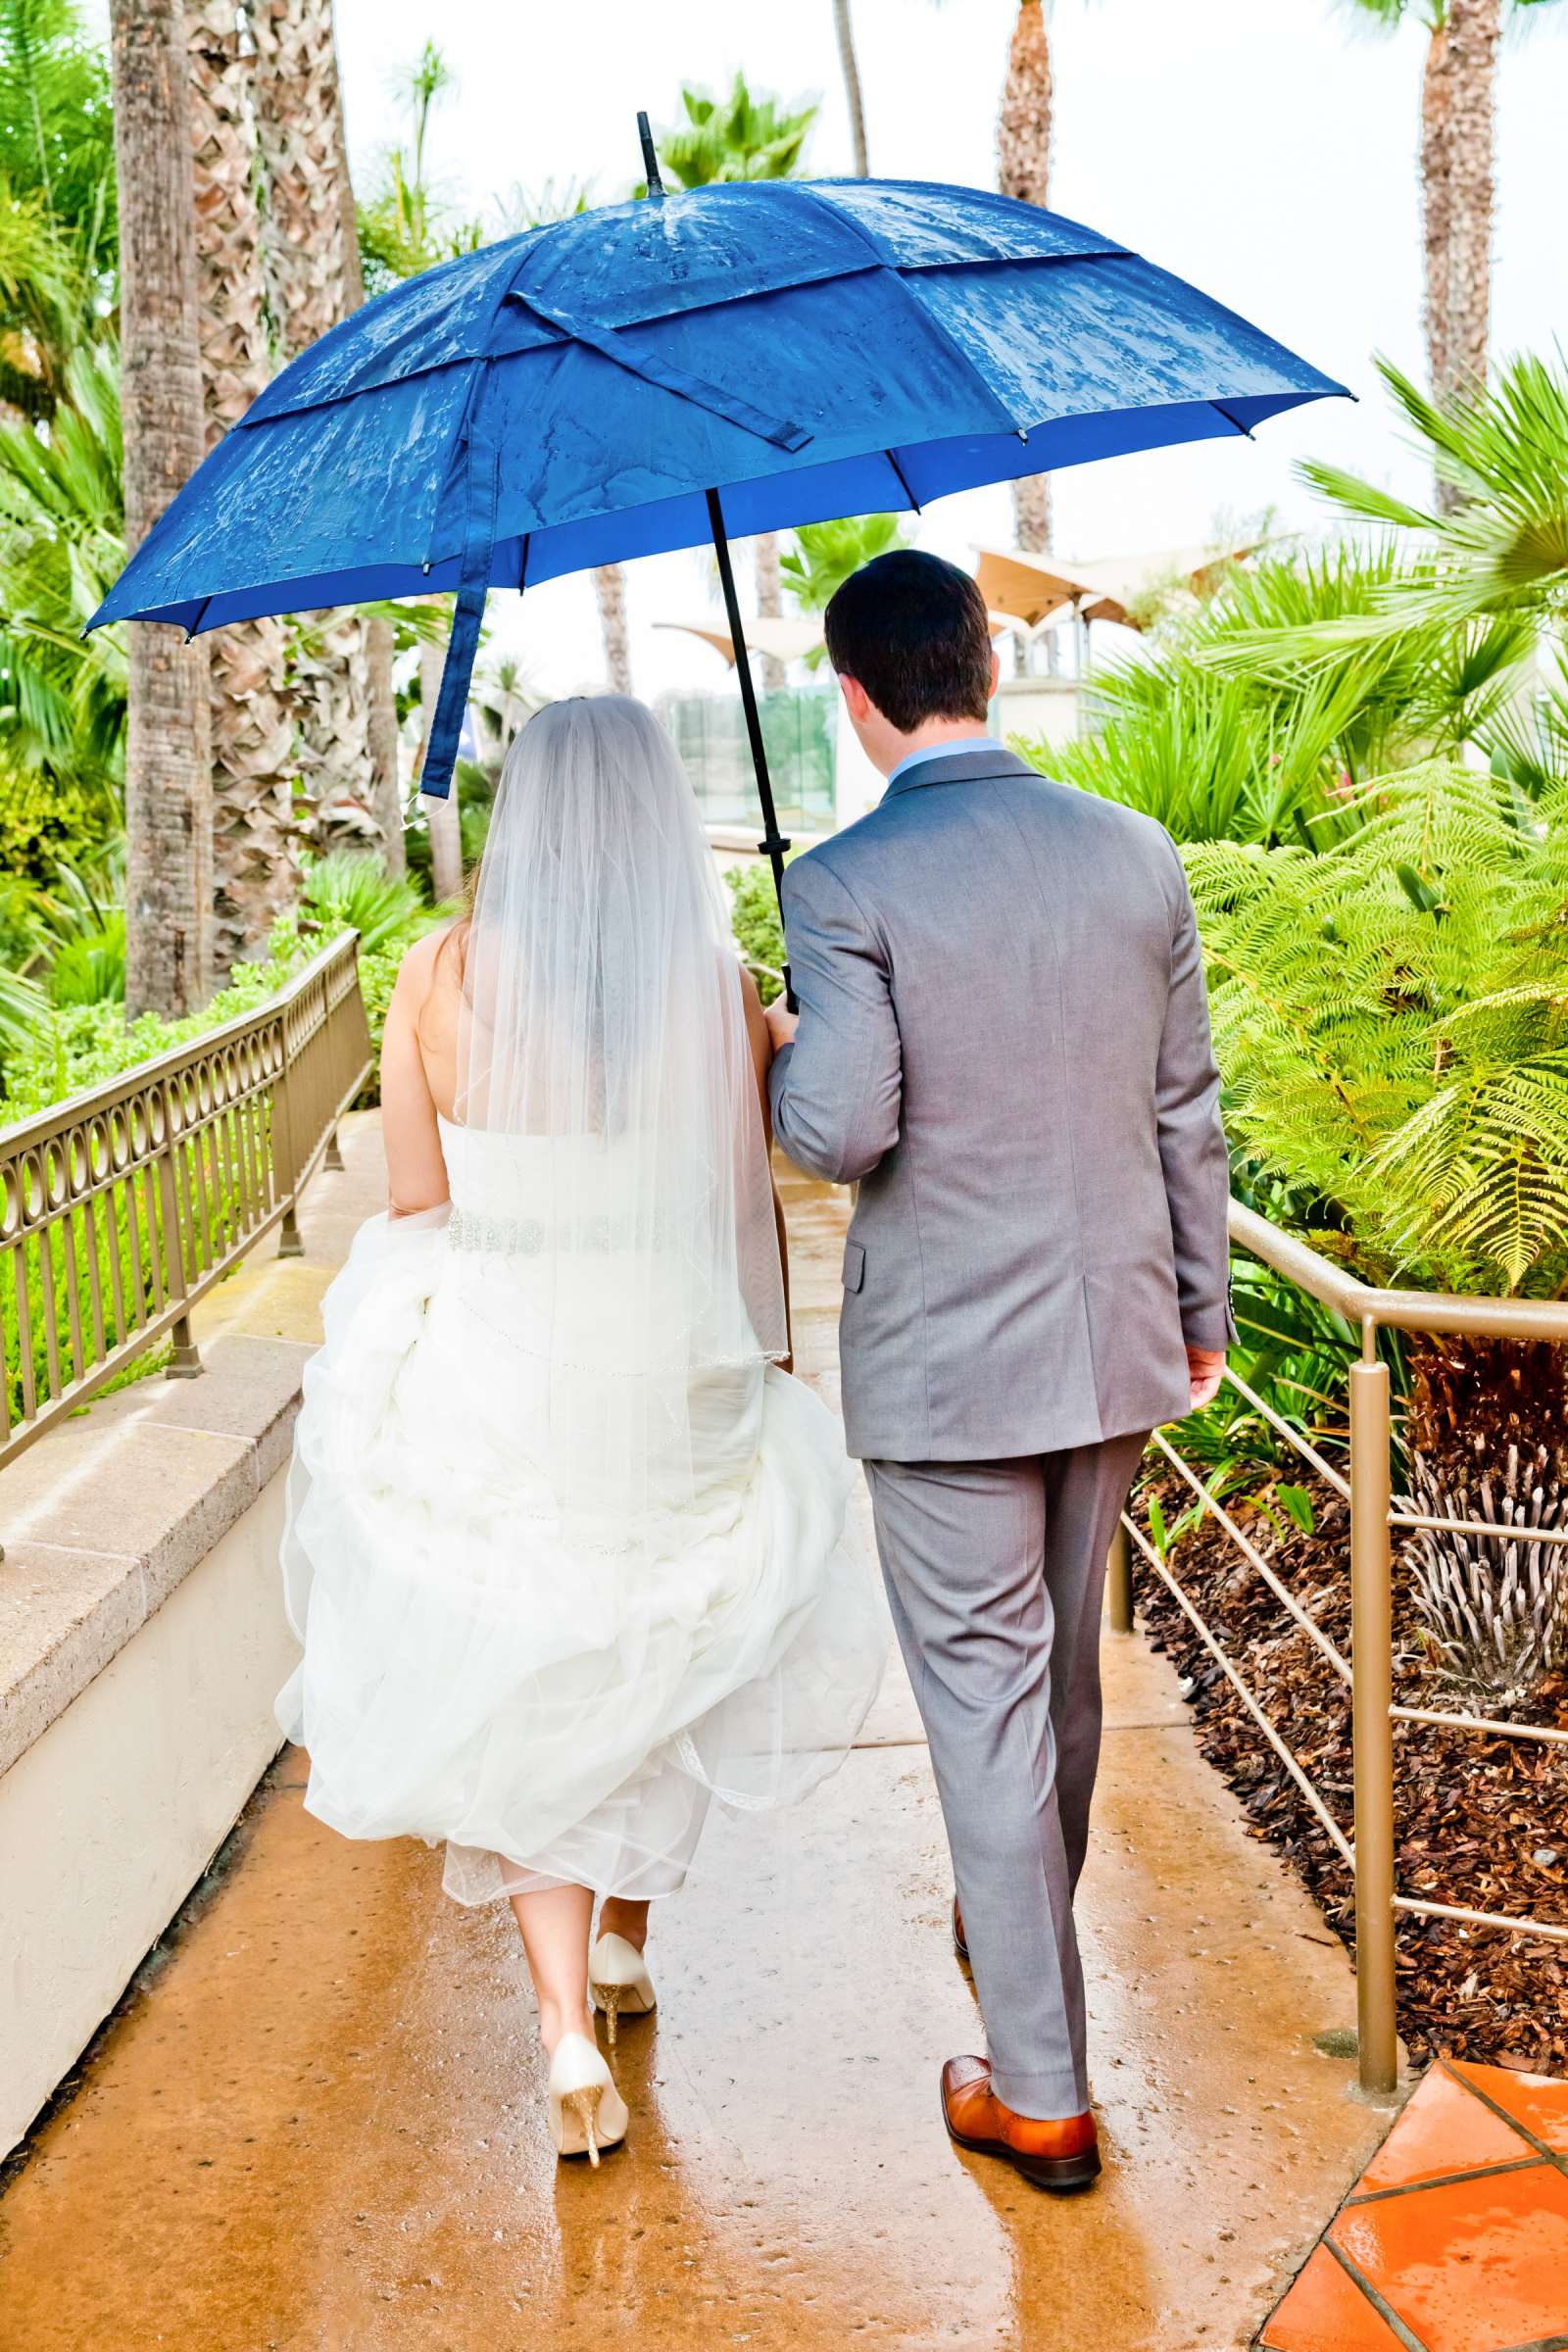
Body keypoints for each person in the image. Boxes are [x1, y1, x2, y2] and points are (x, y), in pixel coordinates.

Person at [276, 695, 885, 2168]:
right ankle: (624, 1942)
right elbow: (742, 1202)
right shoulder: (713, 982)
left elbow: (418, 1201)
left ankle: (560, 2029)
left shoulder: (440, 972)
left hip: (500, 1345)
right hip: (660, 1344)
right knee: (648, 1633)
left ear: (524, 818)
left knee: (536, 1665)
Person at [765, 550, 1233, 2193]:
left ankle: (1039, 2089)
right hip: (1112, 1340)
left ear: (855, 696)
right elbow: (1188, 1108)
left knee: (982, 1701)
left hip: (947, 1362)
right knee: (1065, 1686)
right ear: (978, 662)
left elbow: (842, 1128)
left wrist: (774, 1048)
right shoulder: (1132, 853)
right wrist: (1201, 1313)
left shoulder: (836, 885)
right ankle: (1014, 1912)